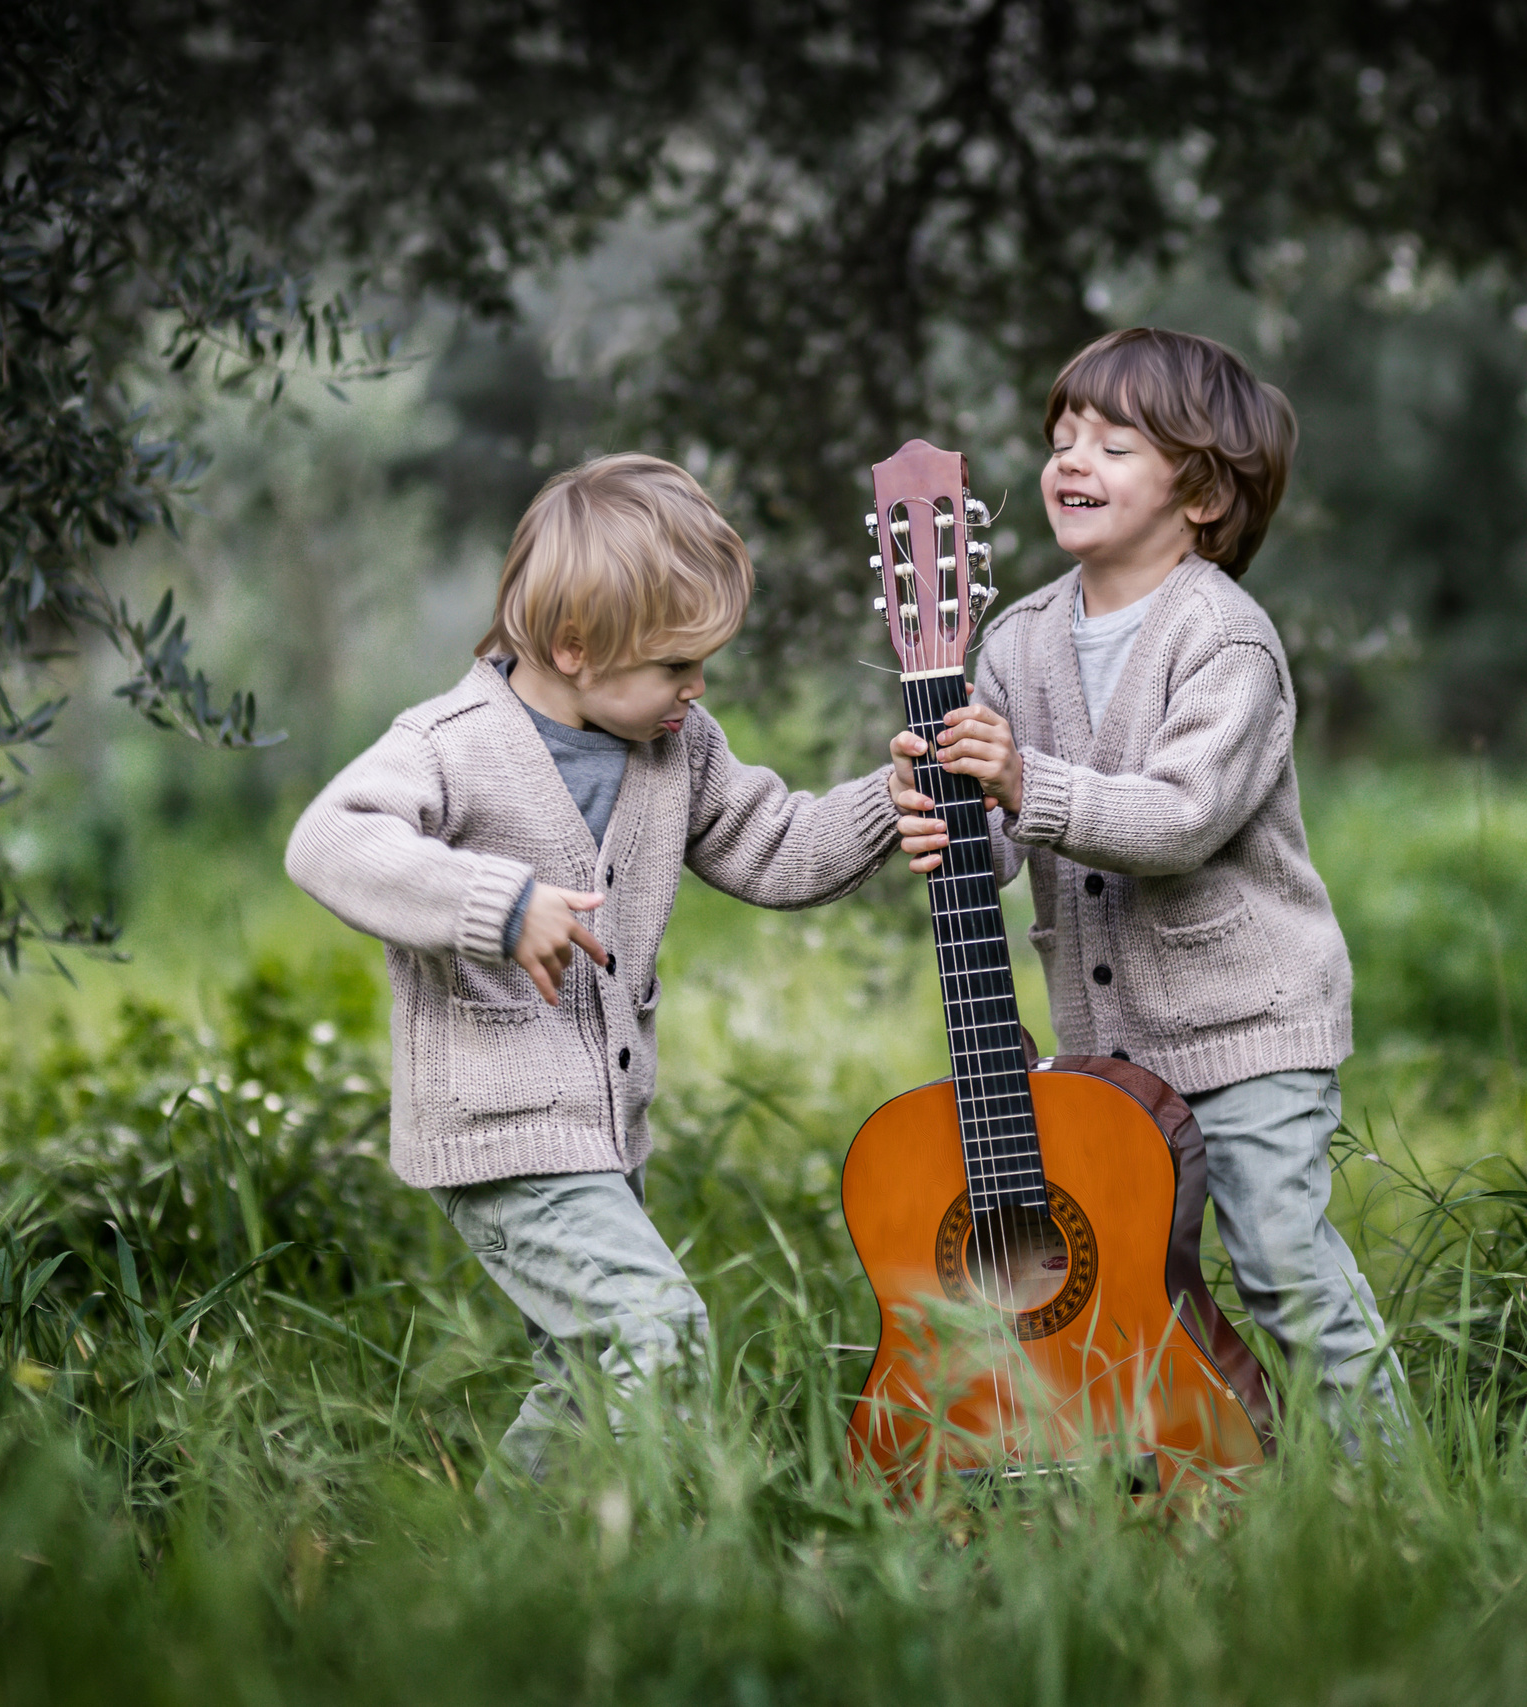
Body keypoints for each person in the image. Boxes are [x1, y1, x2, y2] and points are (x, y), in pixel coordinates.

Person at [288, 454, 899, 1487]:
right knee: (657, 1334)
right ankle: (513, 1559)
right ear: (574, 647)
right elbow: (327, 842)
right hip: (501, 1129)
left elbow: (780, 847)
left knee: (587, 1377)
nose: (697, 688)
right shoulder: (451, 745)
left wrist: (898, 794)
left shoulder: (675, 745)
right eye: (675, 666)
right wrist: (496, 903)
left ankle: (512, 1565)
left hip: (602, 1127)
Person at [886, 327, 1398, 1443]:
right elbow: (1007, 834)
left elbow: (1178, 821)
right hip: (1105, 1053)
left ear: (1203, 492)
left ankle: (1386, 1494)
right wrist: (949, 815)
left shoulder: (1225, 643)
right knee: (1121, 1284)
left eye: (1115, 444)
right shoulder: (1015, 640)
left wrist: (1021, 777)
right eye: (1063, 437)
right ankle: (1183, 1468)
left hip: (1245, 1028)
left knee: (1279, 1267)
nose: (1073, 460)